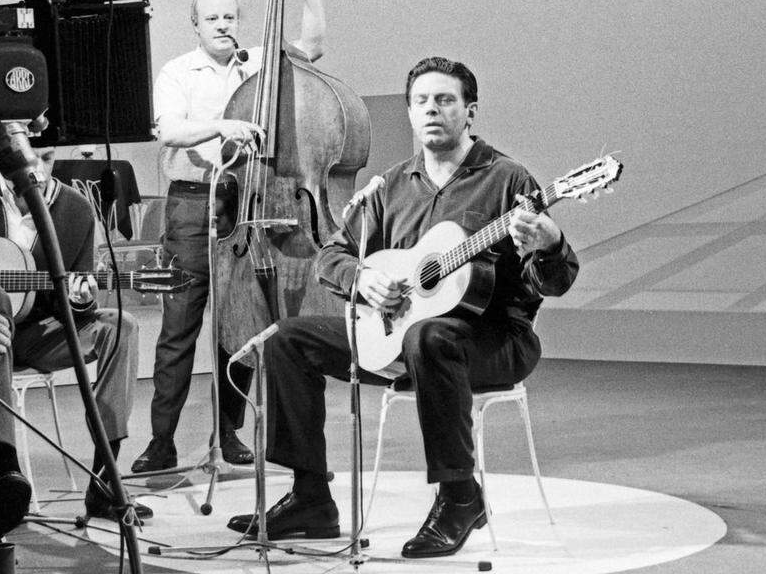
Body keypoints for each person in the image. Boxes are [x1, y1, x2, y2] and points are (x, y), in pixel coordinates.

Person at [225, 57, 580, 558]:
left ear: (470, 112)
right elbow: (332, 255)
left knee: (430, 336)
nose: (432, 110)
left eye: (445, 100)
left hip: (494, 338)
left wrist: (550, 241)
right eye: (421, 101)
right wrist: (363, 278)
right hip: (402, 335)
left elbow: (556, 281)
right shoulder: (391, 186)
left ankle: (459, 496)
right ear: (411, 113)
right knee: (287, 338)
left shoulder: (507, 180)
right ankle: (310, 498)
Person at [132, 0, 325, 473]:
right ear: (195, 25)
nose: (222, 25)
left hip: (245, 205)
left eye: (229, 17)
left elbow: (310, 50)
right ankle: (161, 442)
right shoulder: (178, 71)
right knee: (179, 328)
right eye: (212, 17)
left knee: (237, 326)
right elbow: (169, 130)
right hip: (193, 205)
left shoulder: (258, 63)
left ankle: (229, 431)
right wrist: (222, 125)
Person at [0, 147, 148, 526]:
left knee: (122, 325)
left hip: (39, 334)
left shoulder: (76, 209)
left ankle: (104, 479)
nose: (35, 166)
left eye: (47, 156)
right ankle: (5, 472)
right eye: (27, 154)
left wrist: (82, 300)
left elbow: (75, 305)